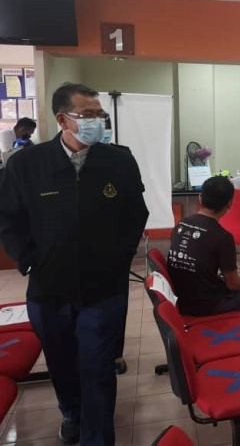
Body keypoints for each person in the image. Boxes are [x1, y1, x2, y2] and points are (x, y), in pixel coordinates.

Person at [0, 82, 149, 445]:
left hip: (104, 289)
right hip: (49, 289)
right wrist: (29, 260)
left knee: (98, 366)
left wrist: (120, 259)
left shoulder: (119, 160)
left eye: (100, 114)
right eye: (88, 114)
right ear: (62, 119)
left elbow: (136, 214)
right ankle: (72, 412)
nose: (96, 121)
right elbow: (9, 220)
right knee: (62, 363)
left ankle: (96, 437)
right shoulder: (27, 164)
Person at [167, 176, 240, 330]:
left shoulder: (181, 224)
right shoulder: (223, 237)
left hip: (180, 298)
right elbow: (233, 283)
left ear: (200, 197)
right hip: (206, 304)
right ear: (229, 204)